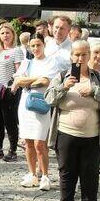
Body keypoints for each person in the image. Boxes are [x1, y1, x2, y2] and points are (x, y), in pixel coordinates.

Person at [46, 39, 100, 201]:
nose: (80, 58)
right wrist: (64, 87)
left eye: (84, 54)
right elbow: (49, 98)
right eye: (77, 54)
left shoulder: (98, 77)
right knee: (66, 171)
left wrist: (93, 90)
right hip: (65, 132)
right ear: (71, 56)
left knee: (90, 172)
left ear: (89, 55)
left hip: (92, 134)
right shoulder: (62, 75)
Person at [14, 36, 62, 190]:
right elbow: (18, 81)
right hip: (26, 104)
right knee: (28, 142)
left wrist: (27, 81)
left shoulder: (51, 61)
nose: (35, 48)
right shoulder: (26, 62)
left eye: (38, 45)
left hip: (41, 104)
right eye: (33, 45)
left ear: (44, 45)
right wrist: (35, 80)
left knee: (40, 143)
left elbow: (46, 81)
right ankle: (32, 173)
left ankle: (45, 175)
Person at [0, 21, 24, 162]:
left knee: (10, 121)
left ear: (13, 34)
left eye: (8, 33)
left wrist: (14, 86)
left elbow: (19, 71)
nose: (5, 35)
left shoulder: (16, 51)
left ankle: (13, 150)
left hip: (8, 91)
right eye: (2, 33)